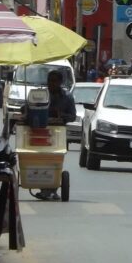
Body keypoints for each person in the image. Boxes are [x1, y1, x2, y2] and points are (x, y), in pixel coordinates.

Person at [34, 70, 77, 201]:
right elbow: (29, 107)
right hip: (40, 133)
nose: (51, 83)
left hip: (58, 134)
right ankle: (45, 188)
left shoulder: (68, 97)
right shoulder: (40, 94)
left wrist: (61, 115)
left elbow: (73, 116)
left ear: (60, 82)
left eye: (54, 81)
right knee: (41, 159)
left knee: (55, 160)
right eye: (49, 80)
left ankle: (51, 189)